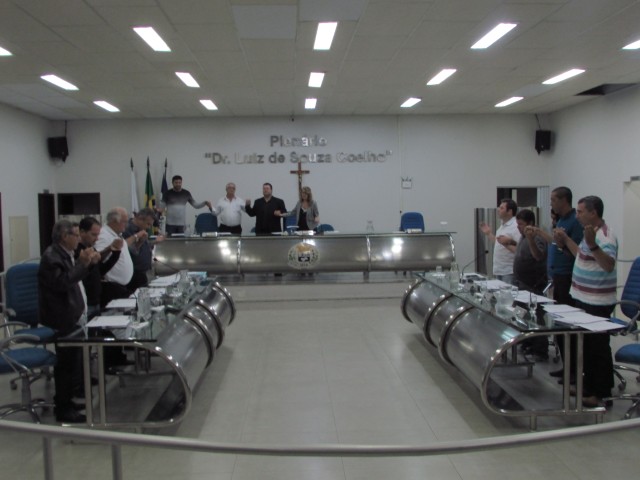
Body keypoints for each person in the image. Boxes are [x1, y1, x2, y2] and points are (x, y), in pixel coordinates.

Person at [554, 195, 617, 407]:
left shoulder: (605, 236)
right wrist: (565, 240)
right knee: (586, 346)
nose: (577, 215)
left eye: (580, 212)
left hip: (597, 301)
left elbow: (608, 265)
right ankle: (588, 386)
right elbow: (581, 255)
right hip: (582, 298)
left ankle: (602, 394)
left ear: (593, 213)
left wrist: (593, 245)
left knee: (598, 349)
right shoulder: (589, 233)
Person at [38, 220, 100, 423]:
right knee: (65, 366)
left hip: (73, 315)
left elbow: (76, 278)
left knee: (73, 363)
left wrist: (87, 263)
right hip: (62, 316)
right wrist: (83, 264)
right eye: (76, 235)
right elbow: (63, 283)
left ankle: (67, 400)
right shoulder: (52, 257)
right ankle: (63, 408)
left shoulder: (65, 254)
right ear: (65, 237)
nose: (79, 239)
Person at [534, 187, 584, 382]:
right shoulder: (561, 220)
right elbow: (555, 245)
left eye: (554, 199)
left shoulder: (574, 223)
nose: (551, 203)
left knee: (568, 325)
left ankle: (574, 370)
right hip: (557, 277)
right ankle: (566, 366)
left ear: (564, 200)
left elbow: (578, 252)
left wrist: (564, 241)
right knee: (560, 324)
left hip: (568, 278)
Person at [513, 209, 548, 359]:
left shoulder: (537, 237)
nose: (518, 227)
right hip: (521, 284)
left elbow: (538, 256)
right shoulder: (522, 237)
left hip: (533, 284)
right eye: (517, 224)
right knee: (522, 315)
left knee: (536, 317)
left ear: (531, 223)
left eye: (521, 224)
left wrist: (531, 238)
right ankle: (528, 342)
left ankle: (540, 349)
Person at [75, 216, 123, 319]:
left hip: (96, 300)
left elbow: (100, 271)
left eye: (98, 235)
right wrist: (87, 263)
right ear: (82, 232)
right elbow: (78, 276)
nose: (96, 238)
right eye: (93, 235)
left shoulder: (91, 248)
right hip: (85, 303)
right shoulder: (77, 251)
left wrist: (115, 253)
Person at [94, 207, 135, 308]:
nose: (126, 225)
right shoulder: (103, 235)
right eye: (124, 222)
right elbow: (98, 258)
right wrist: (110, 248)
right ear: (114, 221)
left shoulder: (117, 234)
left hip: (121, 287)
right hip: (111, 287)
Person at [479, 198, 521, 283]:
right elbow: (498, 243)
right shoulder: (502, 225)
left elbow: (520, 250)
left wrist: (506, 243)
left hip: (509, 271)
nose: (498, 210)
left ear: (510, 211)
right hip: (499, 269)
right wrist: (488, 233)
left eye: (502, 208)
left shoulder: (515, 226)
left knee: (508, 291)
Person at [123, 208, 162, 291]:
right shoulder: (127, 230)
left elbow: (143, 246)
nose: (149, 227)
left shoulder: (141, 229)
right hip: (134, 273)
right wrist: (137, 237)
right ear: (140, 219)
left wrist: (154, 242)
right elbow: (129, 250)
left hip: (142, 272)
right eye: (148, 224)